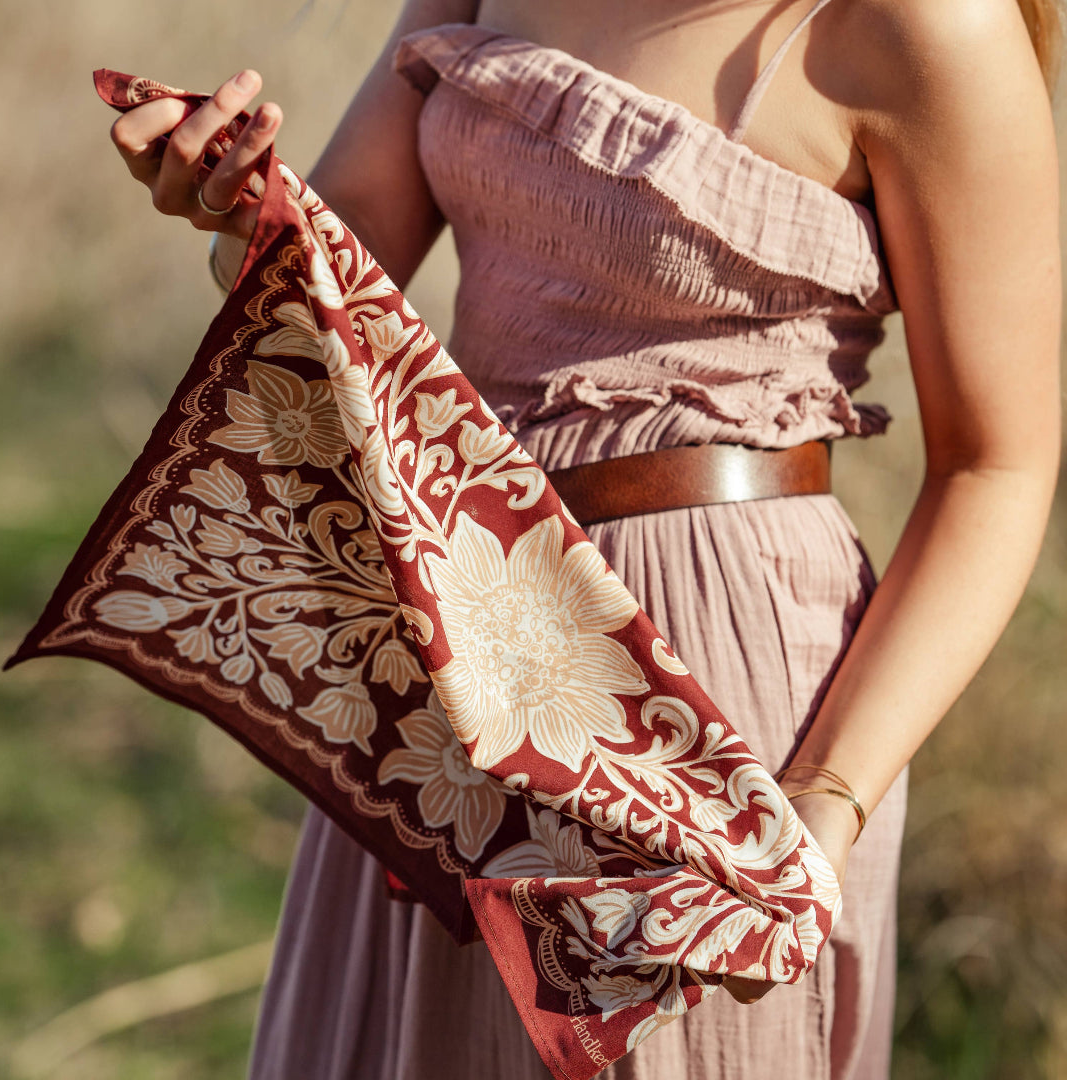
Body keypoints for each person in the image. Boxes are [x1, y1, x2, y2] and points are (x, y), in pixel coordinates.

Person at [108, 0, 1062, 1076]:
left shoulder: (927, 25)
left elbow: (996, 468)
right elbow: (343, 256)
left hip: (705, 692)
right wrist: (238, 209)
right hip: (449, 632)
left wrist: (826, 796)